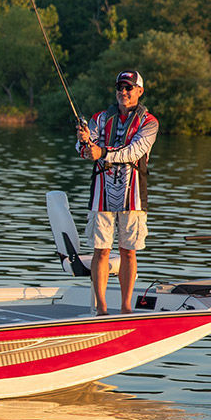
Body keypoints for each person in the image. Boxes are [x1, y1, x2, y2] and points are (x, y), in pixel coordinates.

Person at [75, 70, 158, 315]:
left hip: (134, 195)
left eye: (128, 88)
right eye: (120, 88)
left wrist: (102, 152)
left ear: (139, 91)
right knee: (101, 250)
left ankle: (125, 307)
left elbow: (133, 152)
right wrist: (84, 142)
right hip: (101, 191)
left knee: (128, 251)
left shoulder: (150, 122)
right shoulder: (100, 118)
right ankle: (101, 307)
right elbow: (86, 151)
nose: (123, 92)